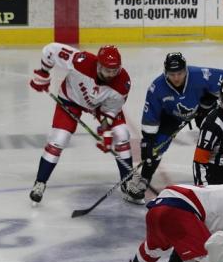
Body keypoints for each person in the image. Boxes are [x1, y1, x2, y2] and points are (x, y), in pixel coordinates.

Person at [28, 42, 143, 204]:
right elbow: (50, 50)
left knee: (122, 134)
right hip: (70, 100)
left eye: (114, 70)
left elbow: (112, 109)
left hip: (100, 106)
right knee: (58, 139)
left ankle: (127, 183)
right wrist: (43, 72)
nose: (110, 74)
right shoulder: (80, 60)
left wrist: (106, 130)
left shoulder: (123, 82)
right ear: (98, 65)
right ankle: (40, 182)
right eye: (106, 70)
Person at [137, 52, 223, 198]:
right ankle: (144, 179)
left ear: (186, 70)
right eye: (172, 74)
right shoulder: (156, 88)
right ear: (165, 72)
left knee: (214, 137)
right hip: (171, 116)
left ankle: (219, 174)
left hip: (201, 111)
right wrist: (148, 142)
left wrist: (212, 97)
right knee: (156, 147)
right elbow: (151, 116)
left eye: (180, 73)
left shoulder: (200, 75)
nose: (176, 78)